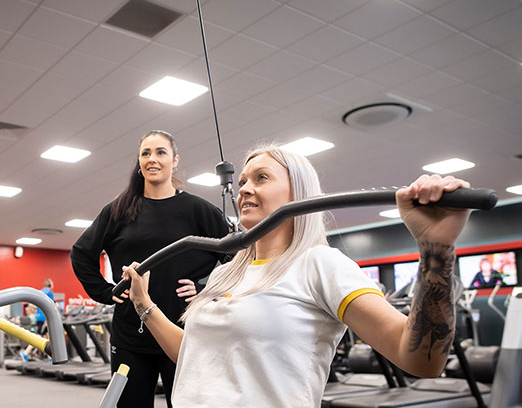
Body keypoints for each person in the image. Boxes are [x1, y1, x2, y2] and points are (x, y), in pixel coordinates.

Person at [120, 144, 472, 407]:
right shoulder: (223, 276)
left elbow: (421, 360)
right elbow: (196, 355)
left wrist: (435, 250)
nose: (243, 189)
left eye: (261, 178)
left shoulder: (320, 264)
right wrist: (143, 303)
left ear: (298, 193)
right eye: (242, 181)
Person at [71, 130, 230, 408]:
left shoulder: (199, 210)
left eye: (160, 152)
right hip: (131, 336)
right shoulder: (118, 210)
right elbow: (81, 253)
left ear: (175, 160)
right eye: (145, 153)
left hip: (183, 334)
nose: (152, 159)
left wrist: (206, 290)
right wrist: (106, 292)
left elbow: (238, 260)